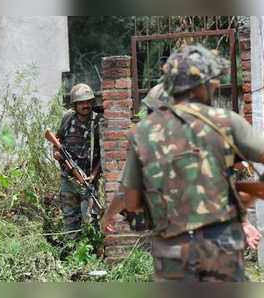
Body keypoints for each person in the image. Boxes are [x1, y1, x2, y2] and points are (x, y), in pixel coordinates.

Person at [102, 44, 262, 282]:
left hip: (171, 251)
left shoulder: (143, 132)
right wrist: (249, 195)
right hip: (219, 245)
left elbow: (131, 200)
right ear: (203, 86)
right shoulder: (225, 121)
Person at [53, 83, 102, 238]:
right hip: (68, 179)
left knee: (92, 219)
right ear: (75, 105)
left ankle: (93, 253)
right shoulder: (67, 118)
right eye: (81, 102)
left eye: (88, 102)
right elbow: (56, 141)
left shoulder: (97, 122)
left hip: (88, 179)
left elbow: (103, 155)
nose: (85, 105)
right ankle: (71, 253)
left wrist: (94, 175)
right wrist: (56, 154)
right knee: (70, 219)